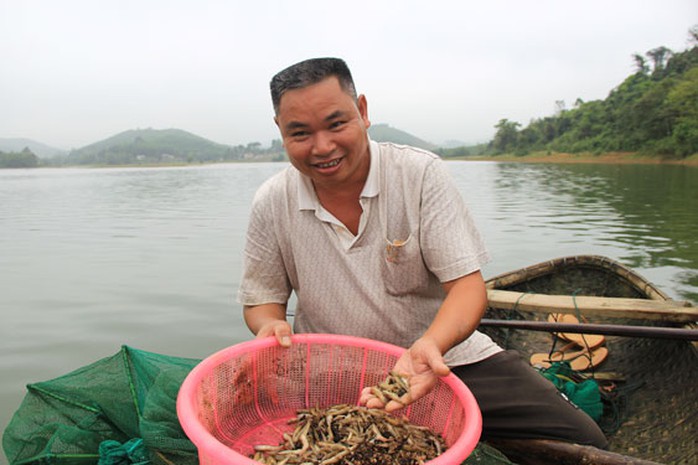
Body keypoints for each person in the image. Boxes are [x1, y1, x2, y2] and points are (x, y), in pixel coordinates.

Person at [238, 57, 607, 448]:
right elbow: (262, 300)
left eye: (336, 124)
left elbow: (467, 287)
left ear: (362, 111)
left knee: (582, 440)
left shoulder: (419, 174)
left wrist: (431, 345)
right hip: (331, 370)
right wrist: (268, 326)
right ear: (281, 131)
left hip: (442, 360)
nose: (323, 147)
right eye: (301, 133)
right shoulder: (272, 200)